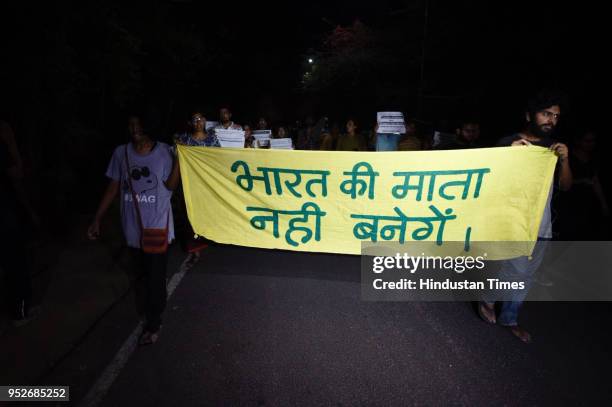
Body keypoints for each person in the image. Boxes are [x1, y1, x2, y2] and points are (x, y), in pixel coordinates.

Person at [478, 90, 572, 343]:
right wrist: (508, 153)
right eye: (546, 114)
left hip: (541, 225)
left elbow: (565, 186)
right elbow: (487, 176)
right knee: (513, 269)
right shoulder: (508, 142)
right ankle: (487, 300)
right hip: (512, 221)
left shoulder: (554, 150)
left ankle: (510, 318)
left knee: (527, 273)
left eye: (555, 116)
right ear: (530, 115)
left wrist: (565, 161)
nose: (551, 120)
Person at [88, 115, 179, 345]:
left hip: (157, 225)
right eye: (130, 125)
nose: (135, 129)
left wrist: (180, 161)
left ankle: (153, 323)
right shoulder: (121, 153)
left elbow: (170, 186)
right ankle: (152, 306)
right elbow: (113, 187)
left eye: (139, 124)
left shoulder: (165, 152)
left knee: (155, 279)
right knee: (142, 276)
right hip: (133, 229)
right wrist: (97, 218)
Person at [0, 120, 39, 327]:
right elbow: (17, 174)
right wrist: (11, 143)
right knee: (16, 263)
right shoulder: (3, 146)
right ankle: (20, 312)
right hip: (5, 213)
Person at [558, 130, 609, 239]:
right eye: (587, 141)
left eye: (593, 141)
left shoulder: (594, 158)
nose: (591, 144)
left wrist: (603, 204)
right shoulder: (568, 157)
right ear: (578, 141)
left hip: (588, 203)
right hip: (569, 203)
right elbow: (560, 183)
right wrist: (581, 181)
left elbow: (595, 181)